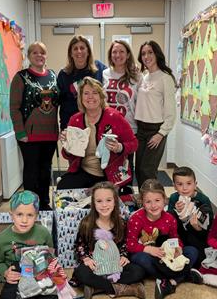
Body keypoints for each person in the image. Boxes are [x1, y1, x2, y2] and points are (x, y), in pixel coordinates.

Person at [0, 190, 64, 299]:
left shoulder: (43, 232)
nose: (24, 220)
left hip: (42, 280)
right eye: (19, 214)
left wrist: (60, 280)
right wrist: (5, 272)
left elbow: (51, 256)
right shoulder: (1, 239)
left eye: (30, 215)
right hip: (20, 283)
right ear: (11, 215)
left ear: (36, 216)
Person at [57, 77, 137, 190]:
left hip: (112, 175)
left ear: (101, 96)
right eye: (86, 93)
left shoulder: (115, 117)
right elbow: (67, 155)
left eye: (95, 92)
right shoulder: (75, 120)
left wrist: (119, 147)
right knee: (62, 188)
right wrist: (67, 145)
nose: (90, 97)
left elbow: (134, 143)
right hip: (84, 171)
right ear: (81, 98)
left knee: (106, 199)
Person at [126, 179, 199, 299]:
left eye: (157, 200)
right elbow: (130, 244)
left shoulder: (169, 218)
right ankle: (183, 275)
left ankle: (170, 282)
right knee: (141, 259)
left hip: (166, 255)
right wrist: (148, 249)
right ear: (142, 202)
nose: (153, 205)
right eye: (148, 202)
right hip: (148, 256)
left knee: (192, 251)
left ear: (164, 199)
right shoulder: (136, 219)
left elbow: (174, 238)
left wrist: (178, 248)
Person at [73, 181, 146, 299]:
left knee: (138, 271)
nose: (104, 205)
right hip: (96, 265)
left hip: (114, 265)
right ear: (93, 203)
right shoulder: (86, 223)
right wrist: (86, 258)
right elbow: (79, 245)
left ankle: (97, 287)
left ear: (115, 201)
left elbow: (123, 245)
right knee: (81, 273)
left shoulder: (121, 223)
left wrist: (123, 256)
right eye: (99, 201)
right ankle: (123, 289)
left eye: (108, 200)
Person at [10, 41, 59, 210]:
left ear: (46, 55)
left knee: (46, 169)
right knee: (31, 170)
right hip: (29, 135)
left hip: (50, 135)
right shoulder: (20, 77)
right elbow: (14, 107)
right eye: (35, 53)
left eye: (42, 52)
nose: (39, 55)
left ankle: (44, 203)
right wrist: (20, 132)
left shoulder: (52, 75)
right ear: (29, 56)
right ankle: (29, 205)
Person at [134, 41, 176, 189]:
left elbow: (171, 112)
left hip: (155, 130)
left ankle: (153, 204)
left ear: (157, 54)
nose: (146, 56)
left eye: (150, 52)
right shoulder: (144, 76)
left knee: (148, 171)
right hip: (141, 129)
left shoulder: (166, 78)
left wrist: (161, 133)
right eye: (143, 53)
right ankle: (143, 200)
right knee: (138, 169)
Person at [103, 40, 141, 186]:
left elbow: (140, 102)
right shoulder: (105, 73)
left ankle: (126, 199)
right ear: (110, 55)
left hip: (129, 127)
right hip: (108, 128)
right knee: (107, 165)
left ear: (128, 54)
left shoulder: (136, 75)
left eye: (121, 51)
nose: (117, 55)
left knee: (125, 167)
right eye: (114, 52)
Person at [167, 166, 214, 267]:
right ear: (174, 186)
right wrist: (177, 212)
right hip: (179, 236)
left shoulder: (203, 200)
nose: (185, 188)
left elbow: (210, 229)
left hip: (197, 237)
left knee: (200, 260)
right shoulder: (174, 198)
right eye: (180, 184)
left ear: (195, 184)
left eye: (189, 183)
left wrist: (198, 228)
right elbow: (169, 224)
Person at [58, 35, 107, 131]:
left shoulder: (99, 68)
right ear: (71, 53)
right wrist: (64, 127)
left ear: (88, 51)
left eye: (82, 48)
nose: (79, 51)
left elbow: (115, 74)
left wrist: (131, 67)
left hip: (97, 124)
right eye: (75, 49)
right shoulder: (64, 75)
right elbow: (60, 103)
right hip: (72, 125)